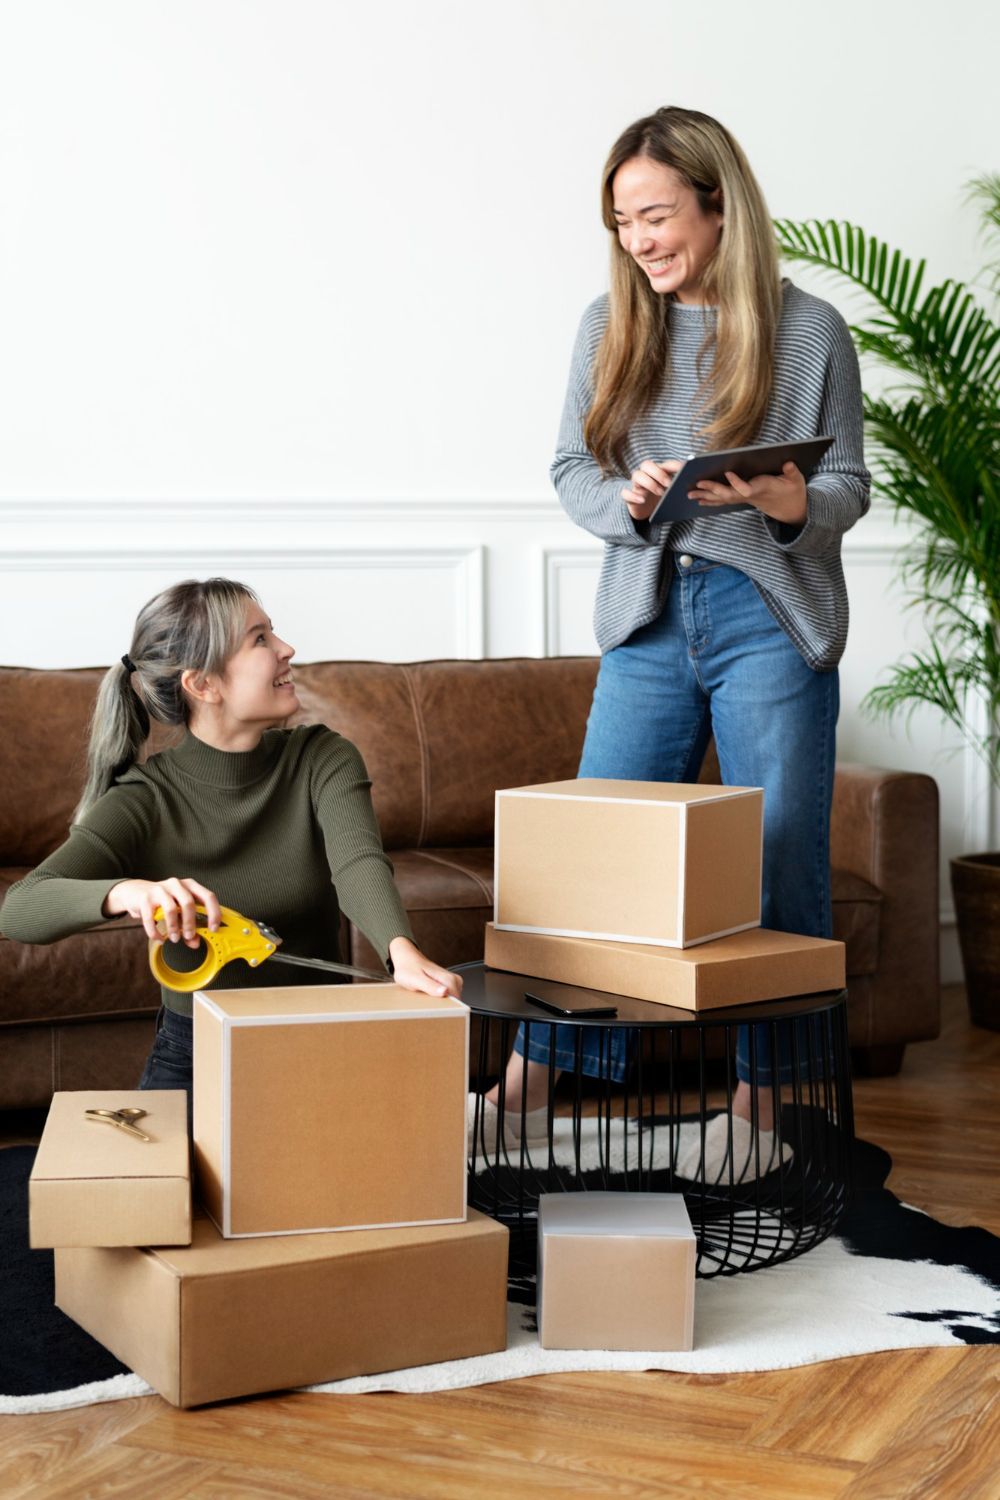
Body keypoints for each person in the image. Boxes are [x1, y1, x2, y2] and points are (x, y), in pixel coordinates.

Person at [473, 106, 869, 1180]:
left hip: (767, 621)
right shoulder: (608, 327)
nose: (640, 240)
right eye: (621, 221)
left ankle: (762, 1109)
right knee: (595, 863)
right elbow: (570, 473)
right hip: (647, 615)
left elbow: (845, 489)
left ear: (715, 203)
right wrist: (632, 501)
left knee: (779, 857)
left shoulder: (806, 330)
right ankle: (524, 1094)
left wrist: (790, 498)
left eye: (655, 215)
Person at [1, 578, 461, 1122]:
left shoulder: (322, 758)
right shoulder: (145, 799)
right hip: (196, 1048)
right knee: (164, 1203)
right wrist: (129, 892)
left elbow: (357, 862)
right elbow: (19, 909)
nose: (287, 648)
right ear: (204, 683)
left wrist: (400, 952)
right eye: (260, 639)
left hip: (319, 1032)